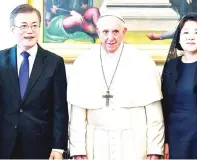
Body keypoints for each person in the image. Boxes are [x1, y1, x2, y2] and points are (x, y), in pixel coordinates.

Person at [68, 12, 165, 160]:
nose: (110, 38)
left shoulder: (142, 61)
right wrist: (78, 149)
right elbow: (77, 113)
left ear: (124, 32)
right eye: (105, 32)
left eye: (115, 32)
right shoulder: (83, 61)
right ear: (98, 31)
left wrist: (155, 148)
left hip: (134, 141)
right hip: (95, 142)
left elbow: (154, 113)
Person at [0, 4, 69, 159]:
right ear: (12, 29)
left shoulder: (54, 62)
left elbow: (60, 109)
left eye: (34, 25)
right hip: (4, 145)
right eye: (23, 26)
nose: (29, 31)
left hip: (41, 146)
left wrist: (58, 147)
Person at [161, 13, 197, 159]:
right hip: (175, 137)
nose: (190, 37)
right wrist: (165, 141)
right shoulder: (171, 66)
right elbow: (165, 106)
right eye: (186, 32)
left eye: (196, 32)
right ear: (179, 37)